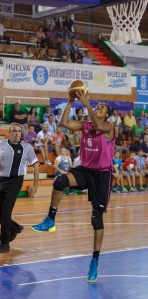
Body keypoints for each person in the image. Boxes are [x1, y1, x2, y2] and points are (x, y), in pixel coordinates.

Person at [30, 90, 115, 283]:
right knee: (59, 181)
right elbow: (63, 123)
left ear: (107, 115)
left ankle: (95, 260)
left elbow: (98, 124)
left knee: (96, 219)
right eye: (97, 106)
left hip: (102, 176)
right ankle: (50, 220)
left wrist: (85, 104)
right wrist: (69, 102)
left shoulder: (109, 126)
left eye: (101, 108)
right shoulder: (86, 125)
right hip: (85, 170)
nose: (97, 107)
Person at [0, 123, 39, 252]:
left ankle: (4, 243)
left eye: (18, 131)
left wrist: (35, 185)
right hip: (1, 180)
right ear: (9, 132)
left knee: (5, 212)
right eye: (14, 131)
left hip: (15, 182)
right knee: (2, 213)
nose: (16, 133)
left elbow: (36, 166)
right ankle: (15, 227)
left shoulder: (27, 147)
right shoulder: (1, 144)